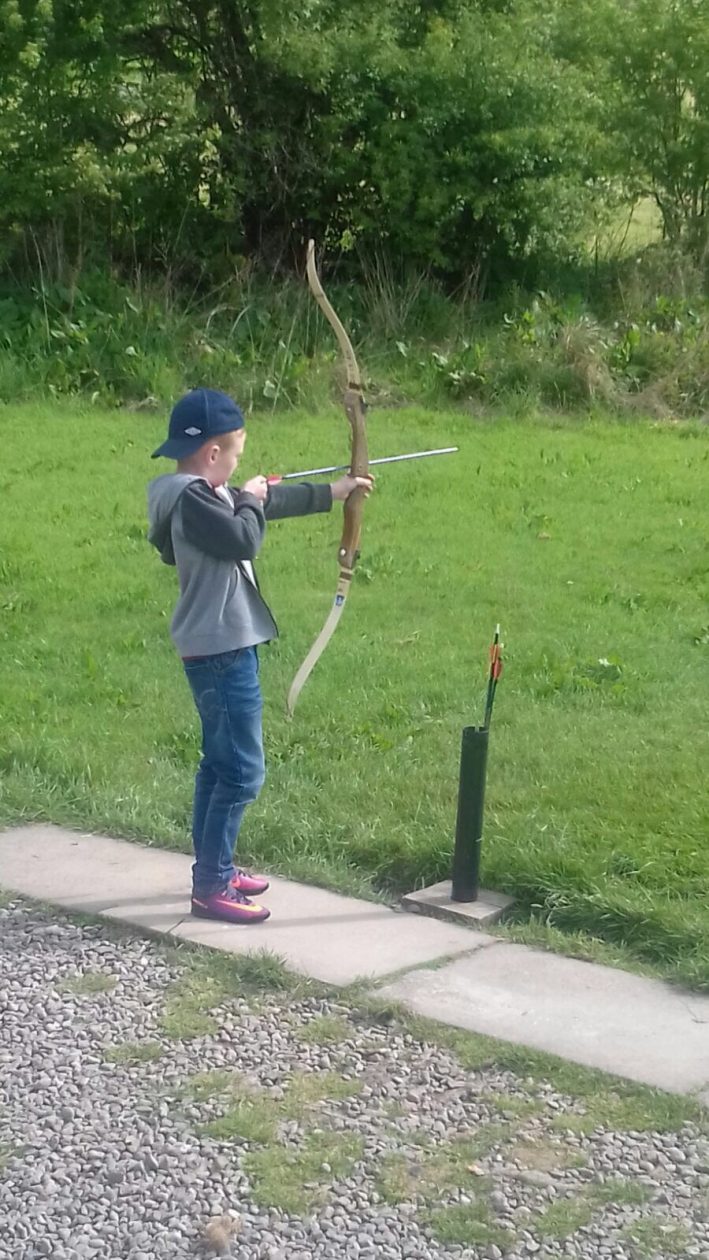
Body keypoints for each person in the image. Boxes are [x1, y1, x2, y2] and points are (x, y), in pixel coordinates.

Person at [147, 388, 372, 925]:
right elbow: (244, 537)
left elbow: (263, 505)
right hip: (221, 651)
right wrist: (248, 499)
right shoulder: (195, 500)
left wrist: (336, 492)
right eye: (236, 455)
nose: (238, 466)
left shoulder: (201, 493)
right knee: (242, 772)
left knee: (218, 764)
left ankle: (216, 866)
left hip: (219, 646)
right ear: (213, 454)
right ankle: (212, 886)